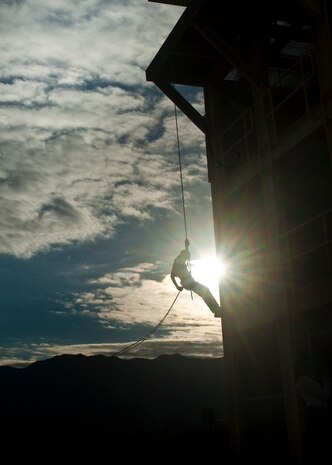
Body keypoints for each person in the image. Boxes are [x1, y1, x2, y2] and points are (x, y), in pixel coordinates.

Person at [170, 239, 222, 317]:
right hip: (188, 283)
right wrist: (177, 286)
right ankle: (216, 310)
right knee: (205, 291)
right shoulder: (177, 262)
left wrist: (187, 246)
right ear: (182, 256)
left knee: (205, 292)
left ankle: (216, 309)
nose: (186, 259)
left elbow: (186, 255)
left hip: (189, 283)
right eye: (185, 257)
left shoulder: (180, 260)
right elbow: (172, 275)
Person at [295, 360, 331, 463]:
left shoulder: (305, 381)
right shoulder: (305, 380)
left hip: (315, 412)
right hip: (316, 412)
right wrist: (327, 381)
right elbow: (324, 395)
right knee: (318, 439)